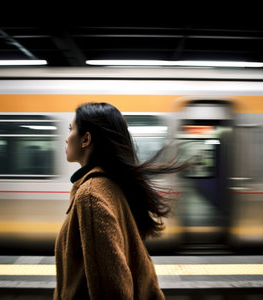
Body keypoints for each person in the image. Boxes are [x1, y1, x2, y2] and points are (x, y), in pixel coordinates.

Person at [54, 102, 183, 300]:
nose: (66, 138)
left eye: (71, 130)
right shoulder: (111, 186)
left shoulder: (91, 195)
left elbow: (111, 288)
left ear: (86, 139)